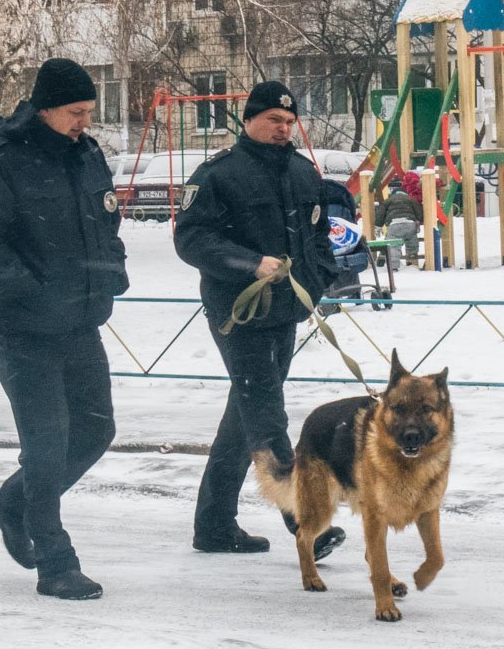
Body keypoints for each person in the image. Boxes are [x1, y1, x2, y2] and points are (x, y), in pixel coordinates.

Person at [0, 58, 128, 600]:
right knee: (47, 443)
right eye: (75, 112)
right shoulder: (1, 157)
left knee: (95, 429)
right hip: (22, 324)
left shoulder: (86, 154)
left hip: (79, 319)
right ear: (46, 108)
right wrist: (34, 289)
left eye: (88, 112)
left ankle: (11, 504)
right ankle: (55, 563)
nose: (84, 122)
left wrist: (111, 270)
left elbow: (106, 223)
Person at [174, 81, 346, 557]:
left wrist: (316, 284)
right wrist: (250, 263)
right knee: (267, 414)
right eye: (273, 120)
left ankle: (213, 525)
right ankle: (306, 522)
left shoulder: (303, 171)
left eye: (289, 121)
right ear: (249, 120)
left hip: (286, 311)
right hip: (239, 313)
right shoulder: (218, 174)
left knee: (245, 416)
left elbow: (318, 239)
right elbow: (191, 240)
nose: (283, 128)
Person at [375, 177, 423, 269]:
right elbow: (419, 212)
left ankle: (393, 266)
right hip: (409, 223)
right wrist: (420, 220)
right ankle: (412, 252)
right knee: (412, 237)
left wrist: (378, 226)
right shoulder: (411, 199)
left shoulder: (388, 201)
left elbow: (380, 214)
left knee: (393, 245)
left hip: (394, 224)